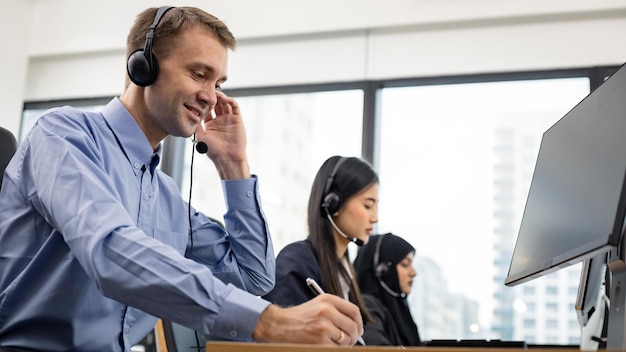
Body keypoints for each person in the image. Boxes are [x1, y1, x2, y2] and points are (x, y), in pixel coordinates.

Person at [0, 6, 362, 351]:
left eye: (218, 82)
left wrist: (234, 166)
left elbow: (255, 278)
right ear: (144, 66)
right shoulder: (62, 135)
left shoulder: (166, 197)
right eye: (199, 74)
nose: (210, 96)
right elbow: (110, 250)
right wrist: (270, 321)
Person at [263, 156, 378, 340]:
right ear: (334, 203)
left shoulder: (345, 272)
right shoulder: (296, 261)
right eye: (367, 205)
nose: (375, 218)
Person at [353, 233, 421, 346]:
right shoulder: (367, 306)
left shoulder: (398, 307)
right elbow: (375, 343)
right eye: (405, 264)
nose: (413, 273)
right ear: (383, 270)